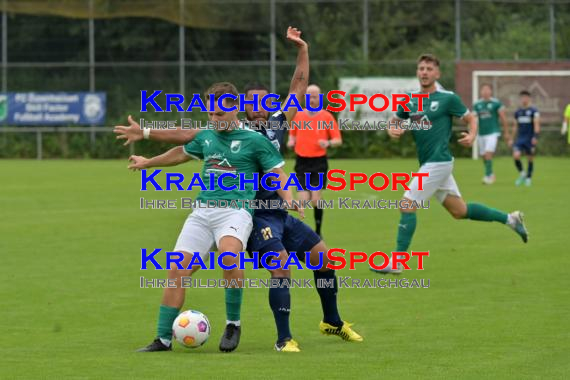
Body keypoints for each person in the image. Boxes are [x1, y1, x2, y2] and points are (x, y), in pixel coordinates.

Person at [115, 27, 362, 352]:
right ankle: (281, 338)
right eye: (254, 102)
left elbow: (299, 85)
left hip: (279, 211)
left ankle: (331, 321)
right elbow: (187, 140)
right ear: (243, 107)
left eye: (265, 101)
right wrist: (148, 143)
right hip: (254, 215)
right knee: (279, 265)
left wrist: (303, 48)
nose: (260, 106)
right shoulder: (228, 132)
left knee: (324, 258)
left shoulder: (275, 124)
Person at [130, 82, 301, 353]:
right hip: (202, 212)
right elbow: (181, 154)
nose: (213, 119)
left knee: (229, 255)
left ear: (234, 109)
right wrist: (148, 162)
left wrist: (289, 198)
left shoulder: (255, 140)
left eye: (219, 115)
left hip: (236, 211)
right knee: (176, 270)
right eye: (210, 114)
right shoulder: (207, 135)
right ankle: (162, 339)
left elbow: (277, 172)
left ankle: (233, 324)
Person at [371, 53, 529, 275]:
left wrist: (473, 135)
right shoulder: (409, 99)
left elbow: (471, 118)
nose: (424, 72)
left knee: (407, 205)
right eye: (421, 68)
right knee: (459, 211)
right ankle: (510, 219)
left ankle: (397, 261)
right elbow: (395, 121)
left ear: (437, 73)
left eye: (429, 69)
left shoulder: (448, 98)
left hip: (439, 161)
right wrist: (392, 129)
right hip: (430, 163)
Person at [287, 84, 342, 237]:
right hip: (302, 162)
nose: (312, 99)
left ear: (320, 98)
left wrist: (328, 143)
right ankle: (299, 232)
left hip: (319, 162)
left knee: (316, 199)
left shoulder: (326, 116)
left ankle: (318, 231)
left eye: (315, 96)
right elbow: (292, 134)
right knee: (302, 200)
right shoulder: (298, 115)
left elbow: (337, 139)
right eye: (309, 96)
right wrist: (291, 141)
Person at [472, 84, 508, 184]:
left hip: (493, 132)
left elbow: (503, 118)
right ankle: (491, 173)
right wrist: (472, 132)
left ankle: (488, 177)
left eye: (487, 89)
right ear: (481, 91)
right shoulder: (477, 104)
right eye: (483, 89)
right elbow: (473, 119)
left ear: (490, 91)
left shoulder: (496, 103)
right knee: (483, 156)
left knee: (488, 154)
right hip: (481, 133)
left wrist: (506, 132)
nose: (485, 91)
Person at [508, 90, 540, 187]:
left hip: (529, 139)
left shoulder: (534, 111)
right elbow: (515, 126)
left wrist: (535, 137)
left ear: (529, 98)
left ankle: (528, 178)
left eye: (526, 97)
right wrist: (511, 138)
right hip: (520, 139)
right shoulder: (518, 112)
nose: (524, 99)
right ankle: (522, 174)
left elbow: (537, 125)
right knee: (516, 156)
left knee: (530, 158)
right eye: (522, 97)